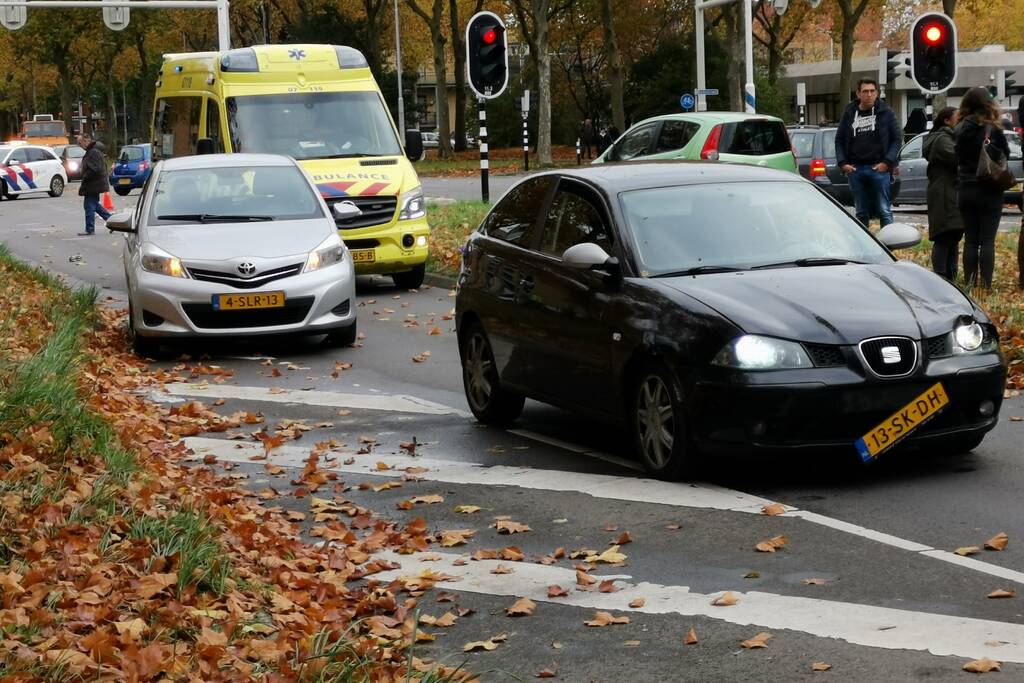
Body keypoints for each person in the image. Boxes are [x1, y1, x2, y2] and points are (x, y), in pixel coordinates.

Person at [955, 86, 1011, 289]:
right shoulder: (993, 128)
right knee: (987, 240)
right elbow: (1006, 153)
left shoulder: (959, 128)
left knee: (970, 240)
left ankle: (970, 284)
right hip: (989, 188)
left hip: (966, 188)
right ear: (987, 104)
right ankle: (986, 286)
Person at [835, 78, 901, 227]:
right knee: (861, 212)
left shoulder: (886, 112)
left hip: (879, 168)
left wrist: (887, 163)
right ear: (858, 93)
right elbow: (839, 140)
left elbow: (897, 140)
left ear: (877, 93)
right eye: (865, 91)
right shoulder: (849, 113)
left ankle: (888, 245)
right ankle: (863, 246)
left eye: (872, 91)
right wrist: (842, 164)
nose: (869, 95)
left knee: (884, 210)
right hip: (855, 169)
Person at [923, 107, 963, 281]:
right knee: (945, 237)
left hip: (946, 192)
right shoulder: (943, 140)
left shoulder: (944, 138)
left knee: (952, 236)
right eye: (958, 118)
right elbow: (958, 159)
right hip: (944, 193)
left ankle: (950, 278)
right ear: (947, 121)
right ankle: (941, 278)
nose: (961, 121)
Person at [77, 132, 110, 236]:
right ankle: (113, 222)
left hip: (93, 184)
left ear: (86, 141)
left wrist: (85, 176)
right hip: (95, 183)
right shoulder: (92, 151)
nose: (79, 145)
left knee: (89, 206)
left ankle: (90, 229)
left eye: (80, 142)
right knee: (95, 205)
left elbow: (95, 169)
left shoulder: (93, 152)